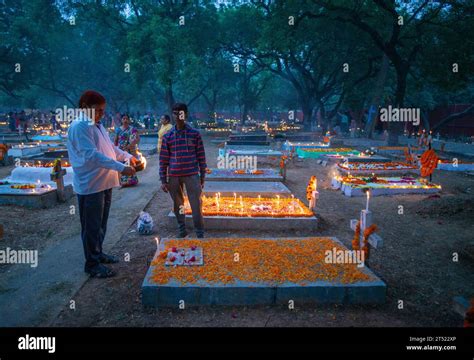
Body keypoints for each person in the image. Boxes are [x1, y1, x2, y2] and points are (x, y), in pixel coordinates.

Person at [67, 90, 137, 278]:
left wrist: (128, 156)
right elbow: (91, 155)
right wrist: (121, 168)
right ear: (84, 107)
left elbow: (109, 148)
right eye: (97, 110)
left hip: (104, 181)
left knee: (101, 223)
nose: (101, 114)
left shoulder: (96, 125)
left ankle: (98, 253)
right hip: (90, 184)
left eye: (102, 110)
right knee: (91, 225)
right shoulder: (80, 126)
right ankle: (92, 263)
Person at [160, 103, 206, 238]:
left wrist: (202, 176)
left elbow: (201, 157)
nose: (178, 116)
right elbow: (163, 159)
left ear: (185, 114)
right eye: (175, 113)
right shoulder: (168, 136)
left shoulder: (194, 134)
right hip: (174, 176)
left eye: (180, 113)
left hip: (192, 174)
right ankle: (182, 228)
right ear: (173, 115)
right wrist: (163, 179)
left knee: (196, 204)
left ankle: (199, 232)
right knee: (178, 204)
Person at [114, 114, 140, 187]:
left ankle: (131, 181)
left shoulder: (133, 129)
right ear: (121, 120)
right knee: (121, 165)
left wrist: (129, 146)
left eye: (126, 119)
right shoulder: (118, 129)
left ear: (129, 120)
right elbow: (116, 140)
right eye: (123, 119)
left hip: (129, 150)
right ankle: (123, 182)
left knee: (129, 165)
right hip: (120, 150)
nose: (125, 120)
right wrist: (115, 149)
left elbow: (136, 139)